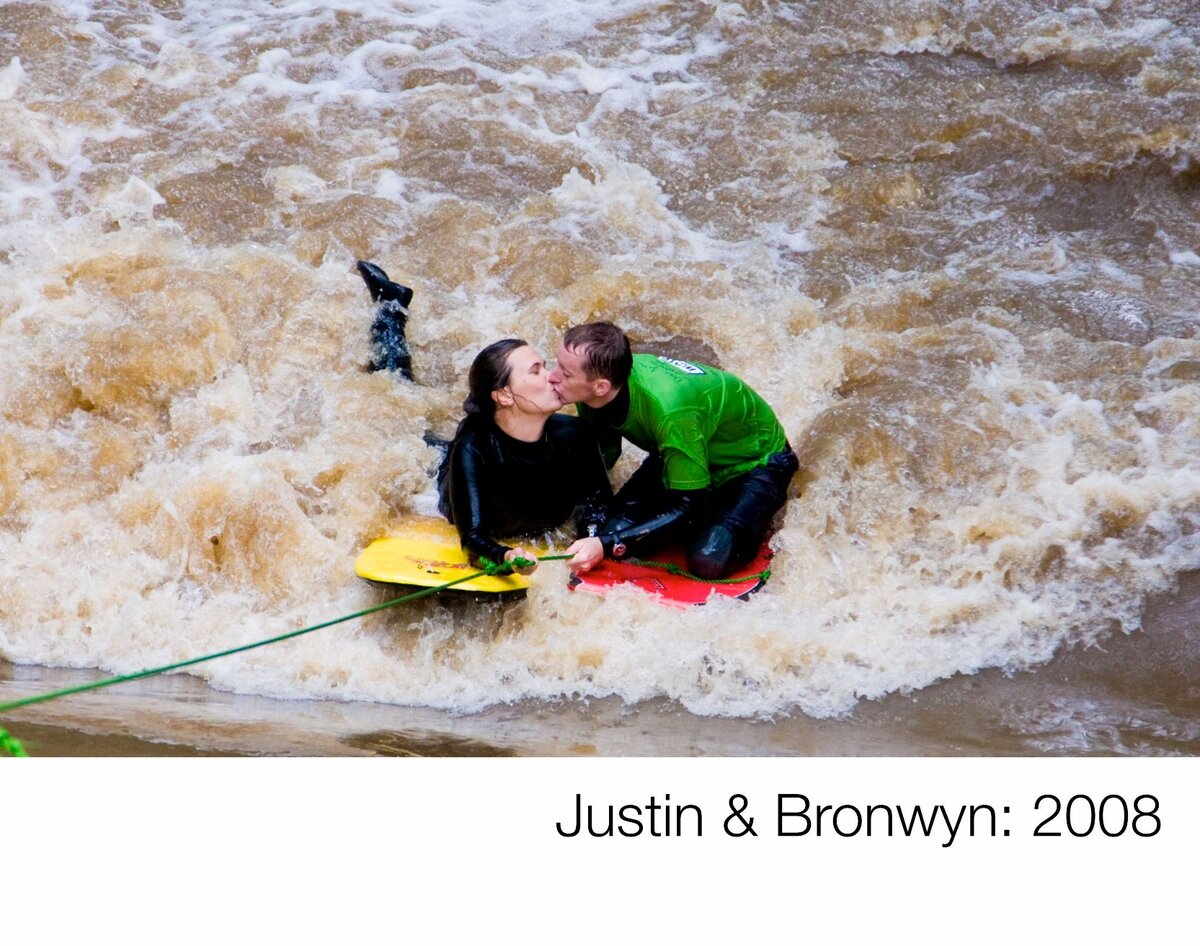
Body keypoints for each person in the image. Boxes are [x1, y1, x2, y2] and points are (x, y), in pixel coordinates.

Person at [548, 322, 799, 579]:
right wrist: (591, 532)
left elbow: (688, 508)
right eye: (556, 364)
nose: (552, 376)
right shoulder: (595, 392)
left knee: (707, 560)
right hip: (681, 451)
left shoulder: (670, 410)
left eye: (565, 374)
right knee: (611, 529)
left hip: (757, 463)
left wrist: (604, 545)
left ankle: (733, 519)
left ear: (600, 386)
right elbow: (601, 465)